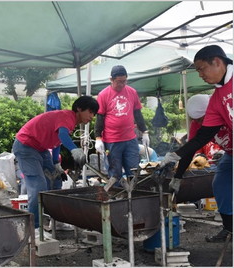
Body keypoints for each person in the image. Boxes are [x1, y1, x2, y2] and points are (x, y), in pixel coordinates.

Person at [161, 45, 232, 243]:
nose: (199, 74)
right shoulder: (217, 99)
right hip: (231, 154)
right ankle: (229, 228)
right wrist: (177, 172)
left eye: (201, 69)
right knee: (220, 183)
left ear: (217, 62)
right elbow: (197, 142)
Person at [12, 95, 99, 229]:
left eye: (94, 114)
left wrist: (55, 164)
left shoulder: (69, 121)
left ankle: (56, 220)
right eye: (90, 112)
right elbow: (62, 136)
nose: (92, 116)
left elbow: (56, 142)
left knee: (56, 179)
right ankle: (33, 228)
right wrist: (74, 150)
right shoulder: (67, 116)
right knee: (38, 185)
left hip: (40, 148)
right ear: (79, 109)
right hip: (25, 146)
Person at [94, 65, 149, 185]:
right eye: (119, 82)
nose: (122, 84)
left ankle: (133, 196)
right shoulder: (103, 95)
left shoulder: (132, 92)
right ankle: (116, 199)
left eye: (124, 81)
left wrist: (144, 132)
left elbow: (137, 114)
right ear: (111, 80)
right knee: (115, 173)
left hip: (130, 139)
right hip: (112, 140)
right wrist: (98, 137)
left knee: (134, 171)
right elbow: (100, 118)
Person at [186, 94, 226, 161]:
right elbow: (192, 145)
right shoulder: (195, 123)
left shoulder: (226, 116)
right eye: (195, 120)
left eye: (200, 120)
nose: (199, 123)